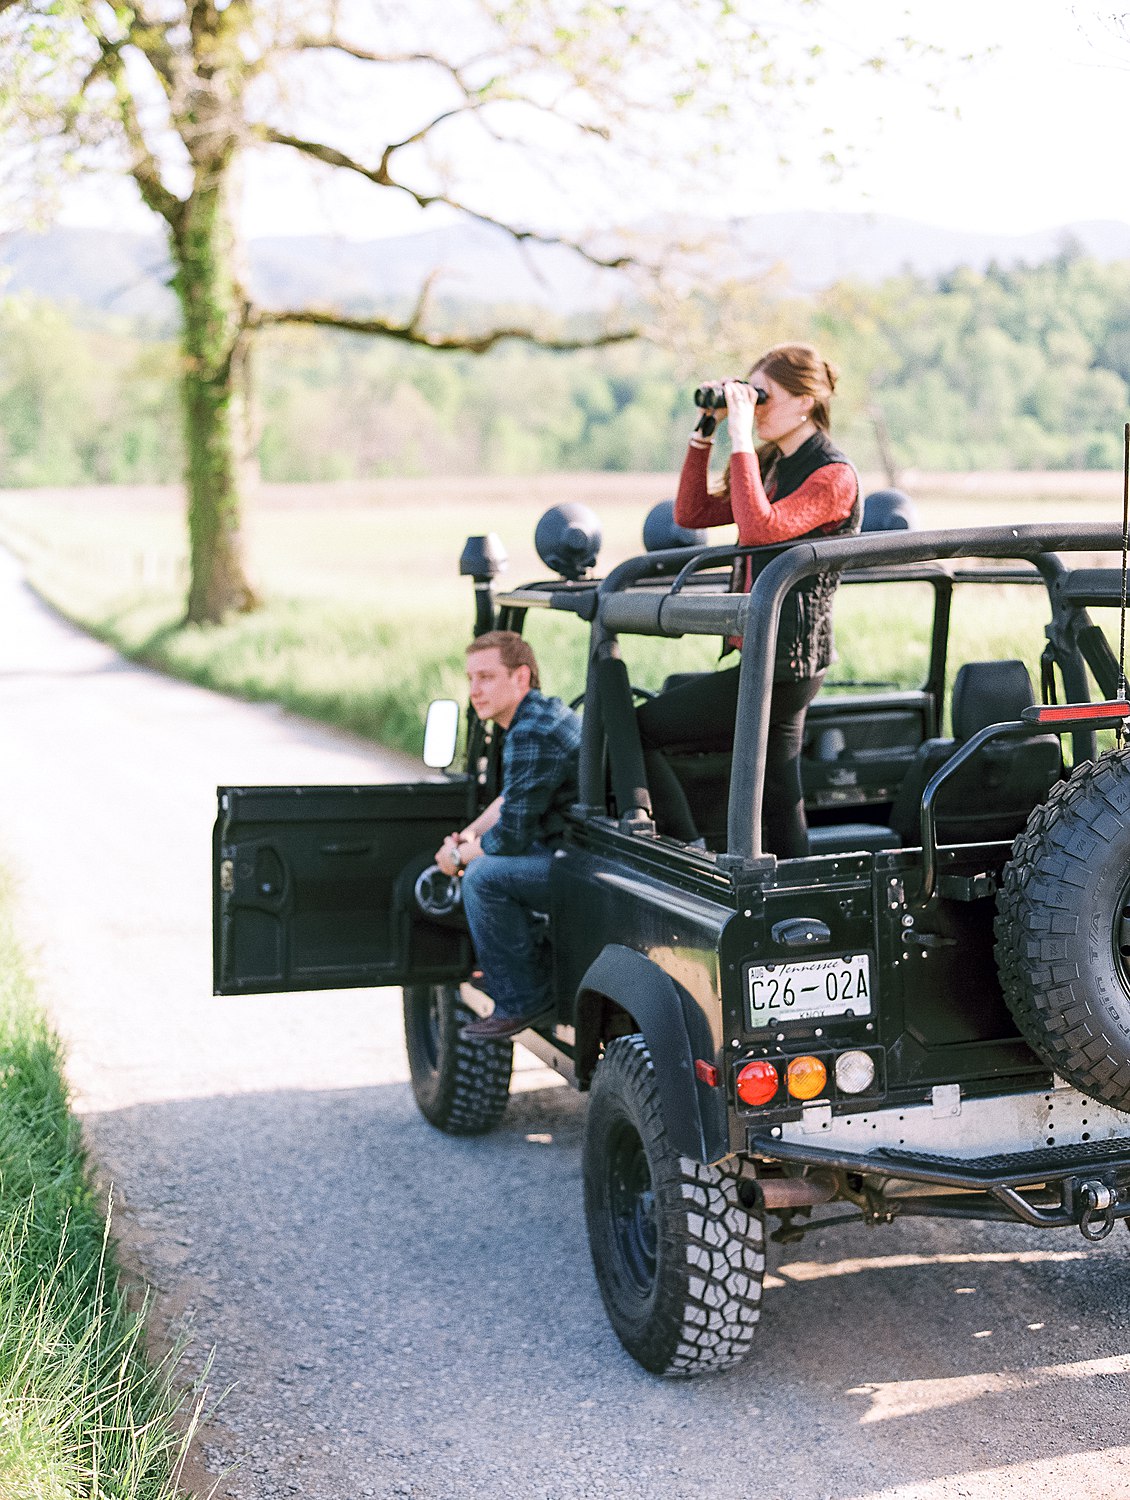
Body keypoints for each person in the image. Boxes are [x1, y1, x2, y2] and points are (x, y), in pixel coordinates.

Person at [637, 342, 861, 858]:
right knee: (779, 793)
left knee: (640, 729)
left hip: (787, 663)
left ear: (805, 401)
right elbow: (691, 513)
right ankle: (804, 898)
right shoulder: (773, 464)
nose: (754, 408)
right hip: (770, 656)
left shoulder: (833, 475)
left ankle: (686, 844)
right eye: (750, 396)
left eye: (764, 397)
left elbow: (761, 529)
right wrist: (707, 429)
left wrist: (740, 435)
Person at [434, 630, 582, 1042]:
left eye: (486, 677)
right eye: (470, 679)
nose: (474, 690)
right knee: (485, 862)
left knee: (484, 878)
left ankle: (523, 999)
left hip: (584, 862)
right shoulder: (536, 715)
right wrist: (467, 835)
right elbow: (511, 800)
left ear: (521, 678)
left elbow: (511, 839)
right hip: (574, 848)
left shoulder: (530, 730)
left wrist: (461, 858)